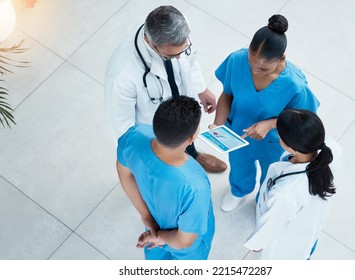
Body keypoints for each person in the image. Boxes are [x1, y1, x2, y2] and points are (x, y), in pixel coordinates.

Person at [212, 14, 320, 211]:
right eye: (251, 63)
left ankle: (264, 199)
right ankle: (239, 190)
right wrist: (219, 124)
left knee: (271, 174)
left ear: (281, 59)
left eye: (262, 68)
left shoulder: (295, 85)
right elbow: (227, 94)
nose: (254, 70)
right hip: (236, 131)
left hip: (273, 141)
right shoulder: (237, 60)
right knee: (239, 165)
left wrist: (270, 124)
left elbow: (303, 122)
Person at [105, 5, 227, 173]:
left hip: (179, 101)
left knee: (185, 129)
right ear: (149, 42)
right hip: (154, 128)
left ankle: (192, 153)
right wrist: (141, 159)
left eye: (182, 50)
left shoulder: (179, 26)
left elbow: (190, 59)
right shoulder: (122, 74)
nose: (178, 57)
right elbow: (122, 128)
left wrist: (201, 88)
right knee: (166, 155)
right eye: (171, 55)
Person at [116, 96, 215, 260]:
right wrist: (159, 237)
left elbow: (124, 173)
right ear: (191, 138)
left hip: (153, 226)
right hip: (185, 250)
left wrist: (146, 216)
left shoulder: (134, 136)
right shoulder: (195, 186)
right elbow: (184, 241)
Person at [244, 109, 342, 259]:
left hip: (286, 248)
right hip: (308, 228)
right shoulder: (328, 148)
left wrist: (257, 243)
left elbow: (270, 227)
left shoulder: (285, 193)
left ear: (291, 148)